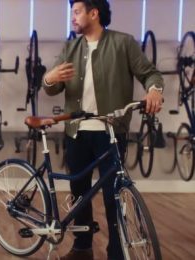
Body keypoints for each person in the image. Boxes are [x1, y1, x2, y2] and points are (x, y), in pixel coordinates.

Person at [42, 1, 164, 259]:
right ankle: (82, 247)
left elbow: (150, 74)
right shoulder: (70, 48)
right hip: (76, 131)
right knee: (79, 192)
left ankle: (117, 253)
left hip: (110, 131)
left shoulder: (123, 43)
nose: (72, 18)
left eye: (77, 12)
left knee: (114, 195)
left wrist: (154, 90)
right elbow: (52, 88)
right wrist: (49, 78)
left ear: (93, 13)